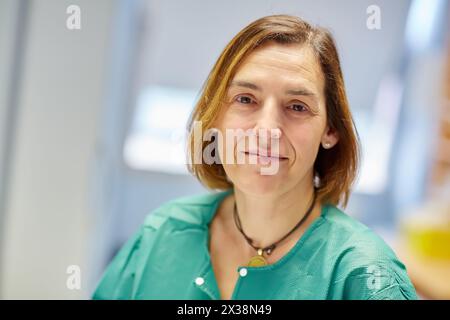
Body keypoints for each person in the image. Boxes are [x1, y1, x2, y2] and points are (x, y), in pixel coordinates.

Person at [92, 14, 417, 300]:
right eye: (246, 99)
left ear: (330, 130)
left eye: (297, 106)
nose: (267, 129)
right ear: (215, 117)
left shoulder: (366, 277)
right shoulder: (163, 233)